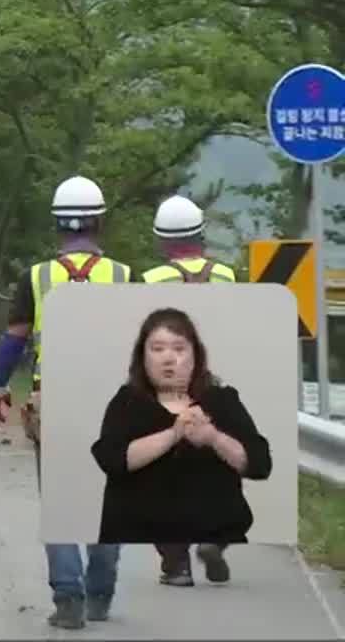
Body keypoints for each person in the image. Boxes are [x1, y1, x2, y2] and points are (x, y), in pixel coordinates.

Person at [0, 174, 132, 630]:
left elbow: (14, 339)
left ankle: (68, 599)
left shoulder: (37, 277)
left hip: (54, 399)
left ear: (58, 225)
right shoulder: (127, 276)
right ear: (99, 222)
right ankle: (100, 595)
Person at [90, 307, 270, 585]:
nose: (168, 358)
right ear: (143, 357)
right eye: (157, 348)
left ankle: (209, 547)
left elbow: (259, 464)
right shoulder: (127, 402)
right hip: (141, 524)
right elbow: (113, 461)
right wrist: (173, 434)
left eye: (179, 348)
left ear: (195, 356)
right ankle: (175, 559)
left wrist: (213, 437)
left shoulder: (222, 400)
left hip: (214, 520)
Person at [139, 194, 238, 584]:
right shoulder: (227, 275)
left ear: (162, 240)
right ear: (201, 234)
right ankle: (215, 538)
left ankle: (176, 564)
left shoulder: (148, 279)